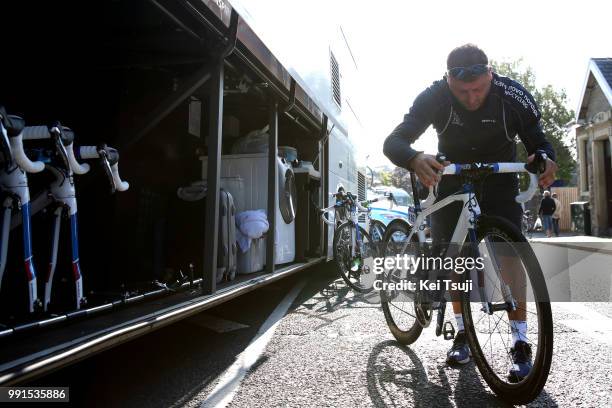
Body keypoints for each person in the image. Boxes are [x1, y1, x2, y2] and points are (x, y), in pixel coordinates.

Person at [383, 44, 558, 382]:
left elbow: (539, 140)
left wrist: (544, 157)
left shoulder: (512, 95)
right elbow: (394, 141)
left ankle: (520, 340)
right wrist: (414, 157)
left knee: (510, 255)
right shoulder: (434, 95)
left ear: (491, 75)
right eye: (462, 91)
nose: (472, 97)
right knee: (456, 259)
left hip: (498, 177)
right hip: (452, 178)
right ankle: (462, 331)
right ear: (448, 80)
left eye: (479, 89)